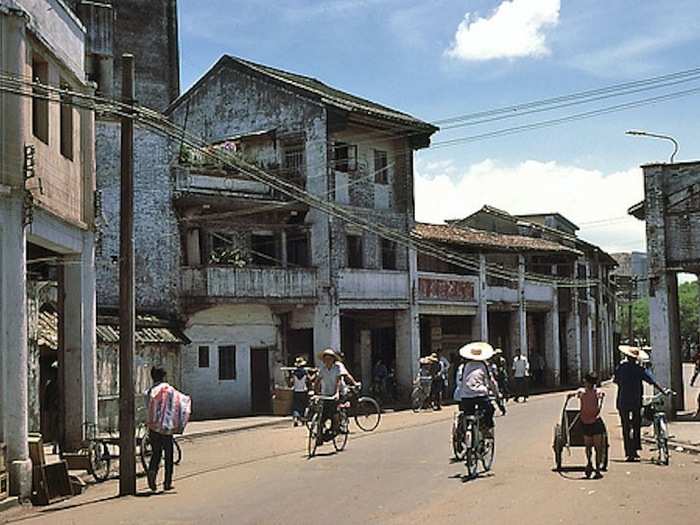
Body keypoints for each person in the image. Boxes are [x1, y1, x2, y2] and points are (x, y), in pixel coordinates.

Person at [614, 345, 669, 462]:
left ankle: (628, 452)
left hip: (622, 400)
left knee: (625, 426)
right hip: (635, 401)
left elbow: (616, 381)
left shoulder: (621, 368)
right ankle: (635, 449)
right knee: (636, 424)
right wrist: (663, 391)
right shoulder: (639, 369)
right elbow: (652, 381)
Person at [145, 367, 191, 492]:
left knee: (156, 453)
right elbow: (181, 403)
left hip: (153, 428)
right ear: (164, 376)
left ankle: (152, 472)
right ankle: (167, 482)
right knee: (169, 455)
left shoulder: (149, 391)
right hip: (166, 427)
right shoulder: (169, 390)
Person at [567, 372, 605, 479]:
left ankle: (594, 466)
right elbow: (576, 393)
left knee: (591, 446)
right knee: (595, 447)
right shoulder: (585, 392)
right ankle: (592, 465)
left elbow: (600, 395)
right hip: (591, 422)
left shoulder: (586, 392)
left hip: (588, 421)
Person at [458, 342, 500, 435]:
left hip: (466, 396)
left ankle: (462, 432)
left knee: (467, 414)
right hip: (480, 395)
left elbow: (461, 381)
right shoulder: (484, 365)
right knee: (490, 409)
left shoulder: (465, 366)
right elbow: (491, 382)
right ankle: (485, 428)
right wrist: (497, 394)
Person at [314, 349, 352, 442]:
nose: (327, 361)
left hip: (337, 394)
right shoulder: (322, 369)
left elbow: (338, 381)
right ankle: (319, 436)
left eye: (329, 359)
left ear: (333, 359)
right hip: (326, 394)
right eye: (325, 359)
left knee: (334, 412)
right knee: (321, 415)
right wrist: (315, 392)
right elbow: (317, 381)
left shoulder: (337, 368)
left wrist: (336, 393)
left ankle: (336, 427)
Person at [290, 356, 310, 427]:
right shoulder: (305, 372)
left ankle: (296, 418)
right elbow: (309, 380)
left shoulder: (294, 373)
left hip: (296, 391)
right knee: (304, 406)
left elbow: (291, 382)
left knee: (296, 406)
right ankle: (303, 419)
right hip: (304, 391)